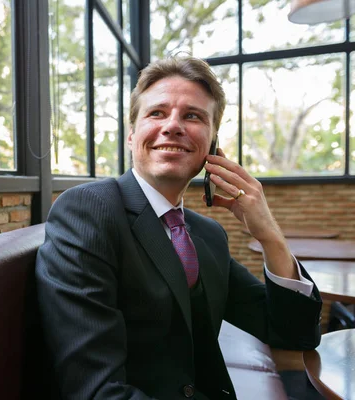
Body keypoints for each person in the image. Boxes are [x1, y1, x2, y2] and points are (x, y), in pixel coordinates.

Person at [35, 56, 322, 400]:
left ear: (214, 144)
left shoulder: (208, 235)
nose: (172, 126)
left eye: (192, 116)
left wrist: (269, 234)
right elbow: (96, 391)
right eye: (156, 113)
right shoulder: (89, 210)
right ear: (131, 135)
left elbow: (294, 334)